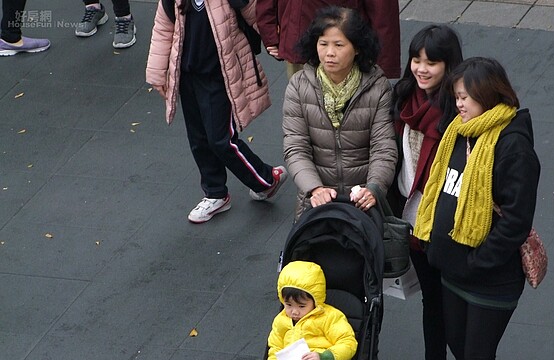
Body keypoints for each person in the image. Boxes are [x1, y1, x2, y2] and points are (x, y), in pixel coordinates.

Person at [414, 57, 541, 360]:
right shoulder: (459, 133)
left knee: (478, 357)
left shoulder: (513, 147)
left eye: (466, 97)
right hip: (454, 270)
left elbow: (515, 223)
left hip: (491, 277)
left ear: (489, 95)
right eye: (456, 97)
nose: (459, 105)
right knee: (456, 342)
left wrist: (477, 261)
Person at [387, 24, 469, 360]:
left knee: (459, 297)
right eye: (416, 59)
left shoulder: (460, 111)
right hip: (411, 218)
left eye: (431, 62)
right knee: (433, 301)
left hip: (448, 223)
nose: (421, 68)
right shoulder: (401, 100)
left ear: (448, 65)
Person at [146, 0, 287, 224]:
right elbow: (163, 29)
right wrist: (157, 72)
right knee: (199, 139)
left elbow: (258, 15)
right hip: (188, 76)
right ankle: (215, 193)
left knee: (222, 140)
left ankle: (266, 179)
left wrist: (278, 42)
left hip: (219, 78)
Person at [282, 6, 397, 220]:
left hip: (364, 202)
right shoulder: (299, 86)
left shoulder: (377, 87)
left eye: (339, 45)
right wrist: (315, 189)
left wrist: (373, 188)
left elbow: (384, 146)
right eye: (323, 44)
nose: (329, 53)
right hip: (317, 202)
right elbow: (295, 147)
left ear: (357, 48)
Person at [256, 0, 400, 80]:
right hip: (298, 44)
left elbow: (383, 11)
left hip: (344, 47)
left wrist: (383, 66)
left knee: (352, 119)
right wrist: (270, 34)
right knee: (301, 114)